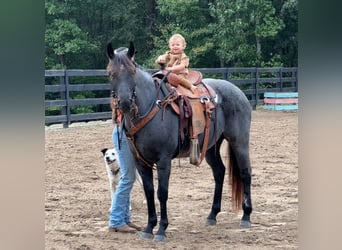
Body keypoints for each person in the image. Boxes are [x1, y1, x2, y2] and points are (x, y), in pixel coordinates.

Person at [108, 97, 143, 233]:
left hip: (126, 134)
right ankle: (116, 221)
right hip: (122, 134)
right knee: (127, 178)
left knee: (128, 177)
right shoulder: (123, 98)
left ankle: (124, 219)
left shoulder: (123, 94)